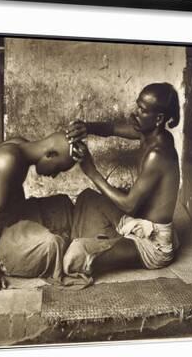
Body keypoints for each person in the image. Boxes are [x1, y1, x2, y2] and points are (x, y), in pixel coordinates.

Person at [63, 82, 181, 276]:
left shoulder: (158, 154)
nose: (134, 113)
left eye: (142, 110)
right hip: (138, 221)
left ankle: (101, 244)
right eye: (137, 105)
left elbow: (128, 206)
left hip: (153, 244)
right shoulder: (148, 133)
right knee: (88, 198)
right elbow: (111, 128)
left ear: (158, 118)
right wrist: (86, 127)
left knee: (78, 254)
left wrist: (92, 172)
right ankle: (109, 240)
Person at [0, 131, 84, 292]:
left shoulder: (20, 145)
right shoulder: (7, 160)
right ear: (50, 155)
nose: (54, 175)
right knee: (51, 245)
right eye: (58, 168)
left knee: (63, 204)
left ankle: (58, 241)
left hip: (10, 217)